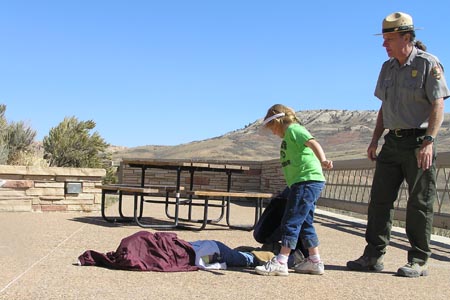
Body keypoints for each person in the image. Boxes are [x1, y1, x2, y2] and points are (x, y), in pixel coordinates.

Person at [346, 12, 450, 278]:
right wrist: (374, 139)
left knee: (419, 203)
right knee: (379, 201)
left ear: (407, 37)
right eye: (384, 39)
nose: (384, 45)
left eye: (389, 39)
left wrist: (429, 141)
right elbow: (384, 106)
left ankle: (418, 259)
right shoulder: (387, 68)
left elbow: (438, 103)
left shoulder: (429, 64)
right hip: (392, 142)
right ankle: (373, 255)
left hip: (418, 141)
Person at [254, 104, 333, 276]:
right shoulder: (287, 138)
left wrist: (323, 160)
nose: (273, 132)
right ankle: (314, 260)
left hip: (306, 181)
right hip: (304, 182)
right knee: (305, 222)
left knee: (291, 221)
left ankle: (281, 261)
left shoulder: (294, 130)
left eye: (272, 127)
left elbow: (313, 142)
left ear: (278, 121)